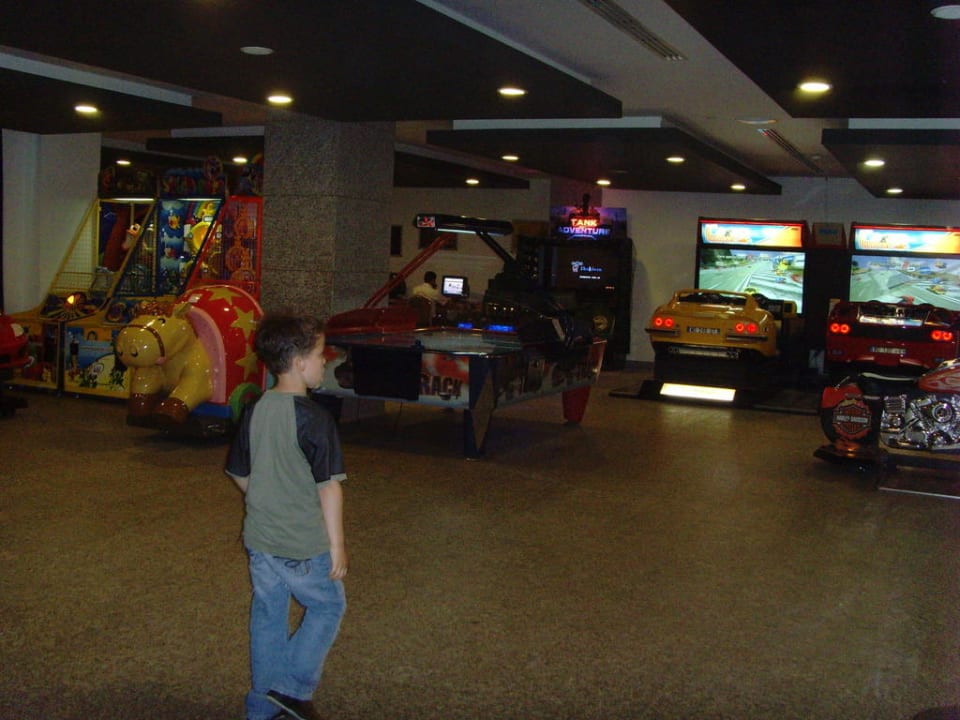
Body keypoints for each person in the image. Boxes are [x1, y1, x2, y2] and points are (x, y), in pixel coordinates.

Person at [225, 312, 348, 720]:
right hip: (301, 542)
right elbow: (328, 487)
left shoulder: (256, 408)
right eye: (320, 353)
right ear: (298, 362)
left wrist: (268, 499)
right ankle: (291, 688)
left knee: (268, 616)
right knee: (328, 606)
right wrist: (337, 546)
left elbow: (239, 473)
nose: (324, 361)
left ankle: (261, 706)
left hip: (260, 539)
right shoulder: (315, 418)